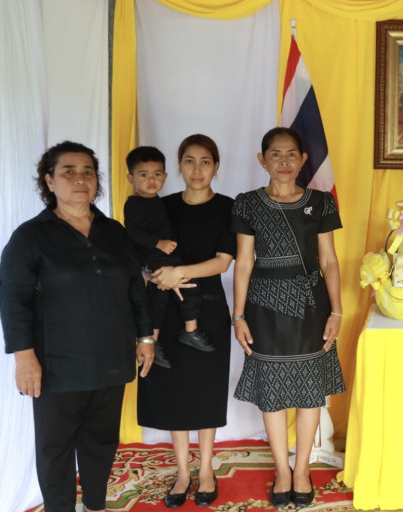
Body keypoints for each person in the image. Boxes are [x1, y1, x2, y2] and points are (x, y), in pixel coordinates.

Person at [0, 141, 155, 512]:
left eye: (88, 172)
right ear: (50, 181)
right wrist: (24, 357)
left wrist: (145, 337)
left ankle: (96, 505)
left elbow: (135, 288)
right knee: (56, 447)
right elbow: (13, 299)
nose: (80, 179)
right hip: (57, 364)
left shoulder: (114, 232)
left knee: (101, 440)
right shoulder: (31, 237)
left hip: (112, 358)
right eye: (68, 171)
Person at [231, 127, 345, 509]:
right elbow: (243, 264)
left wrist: (337, 310)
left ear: (302, 160)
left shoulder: (321, 203)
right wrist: (238, 316)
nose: (283, 161)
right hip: (263, 310)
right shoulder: (247, 204)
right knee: (273, 391)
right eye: (275, 154)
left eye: (291, 154)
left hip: (312, 308)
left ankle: (302, 471)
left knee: (310, 390)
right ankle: (282, 470)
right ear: (262, 160)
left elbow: (329, 260)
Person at [136, 134, 236, 508]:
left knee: (205, 390)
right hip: (164, 311)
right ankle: (182, 473)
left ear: (216, 166)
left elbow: (223, 262)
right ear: (178, 166)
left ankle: (206, 470)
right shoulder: (160, 207)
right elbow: (141, 257)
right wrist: (155, 275)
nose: (197, 169)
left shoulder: (228, 207)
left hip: (208, 308)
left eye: (205, 161)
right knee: (173, 390)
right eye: (189, 161)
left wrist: (180, 272)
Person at [124, 146, 213, 369]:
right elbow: (132, 233)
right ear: (131, 178)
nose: (151, 180)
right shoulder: (134, 203)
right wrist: (158, 243)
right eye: (143, 175)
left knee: (182, 286)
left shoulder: (159, 201)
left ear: (164, 177)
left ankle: (187, 331)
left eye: (157, 174)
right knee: (164, 294)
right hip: (150, 258)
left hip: (167, 259)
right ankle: (157, 339)